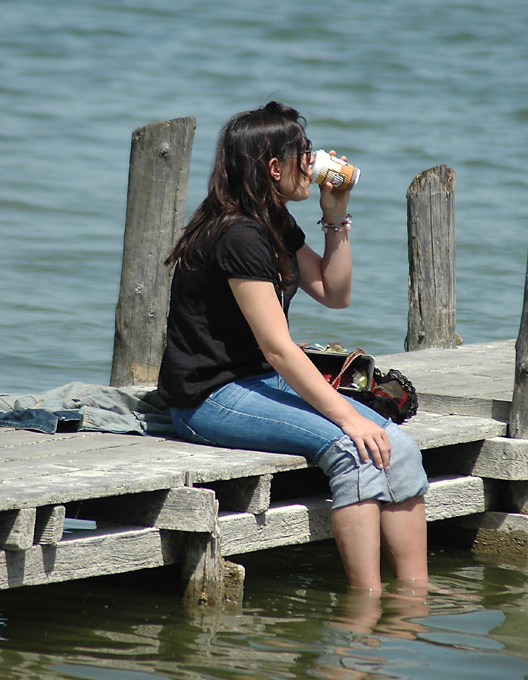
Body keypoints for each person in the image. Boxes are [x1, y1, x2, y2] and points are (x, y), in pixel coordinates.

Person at [158, 101, 429, 592]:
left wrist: (336, 216)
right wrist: (349, 416)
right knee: (354, 447)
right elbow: (280, 348)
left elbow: (334, 293)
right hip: (207, 396)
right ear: (274, 167)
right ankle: (363, 608)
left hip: (258, 380)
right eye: (303, 152)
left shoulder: (272, 223)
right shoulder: (237, 233)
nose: (313, 160)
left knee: (401, 448)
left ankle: (414, 597)